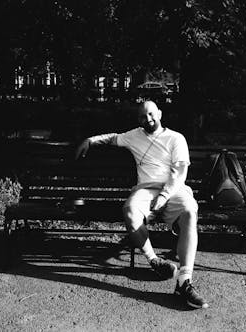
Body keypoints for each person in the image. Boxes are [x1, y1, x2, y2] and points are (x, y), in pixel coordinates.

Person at [75, 101, 208, 309]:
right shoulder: (134, 135)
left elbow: (179, 174)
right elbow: (112, 138)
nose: (148, 119)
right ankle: (155, 261)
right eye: (143, 116)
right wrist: (90, 140)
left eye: (152, 114)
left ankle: (184, 281)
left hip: (173, 189)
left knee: (190, 211)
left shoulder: (176, 138)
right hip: (145, 190)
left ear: (160, 114)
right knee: (129, 211)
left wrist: (163, 196)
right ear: (138, 119)